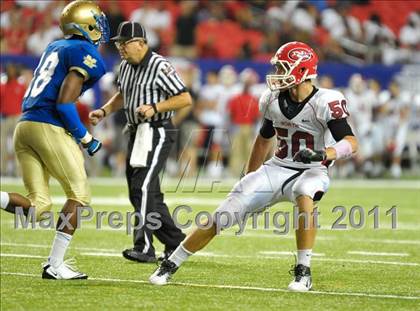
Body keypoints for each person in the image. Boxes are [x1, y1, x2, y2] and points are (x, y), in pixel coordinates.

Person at [149, 41, 358, 291]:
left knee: (305, 196)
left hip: (312, 169)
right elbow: (263, 140)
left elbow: (351, 142)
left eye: (283, 68)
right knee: (221, 216)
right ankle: (171, 264)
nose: (278, 74)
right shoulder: (271, 99)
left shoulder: (325, 100)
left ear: (302, 71)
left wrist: (324, 154)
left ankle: (303, 272)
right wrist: (249, 178)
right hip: (276, 168)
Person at [0, 0, 109, 279]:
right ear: (86, 26)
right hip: (47, 125)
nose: (101, 29)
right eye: (97, 23)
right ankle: (55, 264)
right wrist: (86, 138)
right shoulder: (84, 51)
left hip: (25, 126)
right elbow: (64, 103)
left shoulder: (55, 46)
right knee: (79, 195)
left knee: (38, 206)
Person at [89, 21, 191, 263]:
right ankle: (175, 242)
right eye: (119, 44)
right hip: (136, 132)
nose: (121, 48)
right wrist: (104, 111)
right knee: (144, 192)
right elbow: (123, 94)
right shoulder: (124, 66)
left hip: (158, 130)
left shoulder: (159, 65)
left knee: (142, 187)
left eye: (126, 43)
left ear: (142, 43)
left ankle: (144, 247)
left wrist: (157, 107)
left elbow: (184, 98)